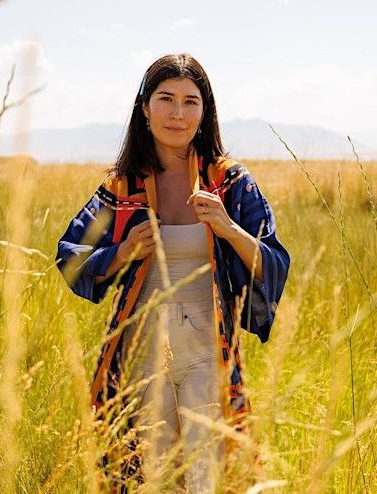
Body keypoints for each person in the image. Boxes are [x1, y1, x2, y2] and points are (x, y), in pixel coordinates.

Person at [55, 53, 290, 492]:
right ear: (145, 109)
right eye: (166, 99)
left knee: (209, 477)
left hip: (208, 352)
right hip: (142, 353)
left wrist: (228, 228)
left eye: (190, 101)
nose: (177, 113)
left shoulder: (230, 182)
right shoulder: (121, 186)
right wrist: (122, 252)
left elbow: (274, 263)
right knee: (150, 477)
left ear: (205, 113)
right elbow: (69, 257)